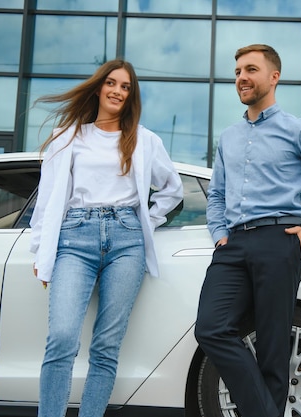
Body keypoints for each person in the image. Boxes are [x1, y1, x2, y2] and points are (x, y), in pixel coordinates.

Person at [194, 44, 301, 417]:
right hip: (233, 245)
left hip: (278, 240)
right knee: (210, 328)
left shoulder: (300, 130)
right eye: (237, 71)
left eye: (250, 70)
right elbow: (217, 194)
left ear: (274, 76)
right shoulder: (229, 137)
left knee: (273, 350)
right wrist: (220, 234)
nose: (241, 78)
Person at [29, 59, 183, 417]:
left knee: (106, 345)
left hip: (126, 243)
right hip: (75, 239)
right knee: (63, 338)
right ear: (99, 87)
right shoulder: (69, 137)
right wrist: (40, 253)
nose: (117, 91)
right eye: (111, 83)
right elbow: (48, 198)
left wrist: (146, 221)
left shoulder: (144, 140)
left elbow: (172, 190)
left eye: (125, 87)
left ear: (131, 96)